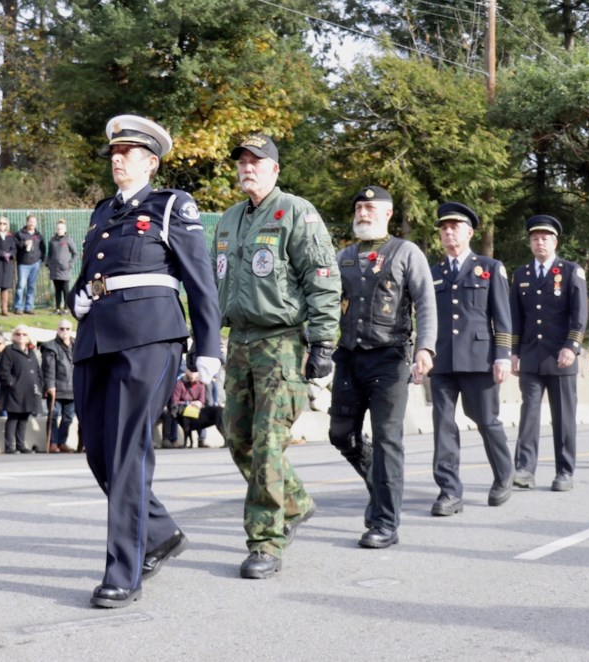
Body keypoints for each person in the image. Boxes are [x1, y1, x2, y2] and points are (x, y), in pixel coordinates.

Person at [72, 115, 221, 607]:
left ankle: (124, 571)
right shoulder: (100, 211)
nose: (118, 158)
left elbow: (200, 280)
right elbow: (94, 269)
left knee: (126, 452)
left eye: (129, 152)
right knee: (98, 451)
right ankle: (159, 532)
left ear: (151, 162)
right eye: (114, 151)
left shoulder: (171, 205)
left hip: (150, 337)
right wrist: (77, 295)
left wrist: (208, 349)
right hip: (97, 335)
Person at [213, 133, 339, 578]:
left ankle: (265, 541)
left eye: (257, 161)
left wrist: (323, 342)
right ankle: (297, 502)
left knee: (268, 444)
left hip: (282, 342)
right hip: (240, 342)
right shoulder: (228, 220)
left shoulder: (296, 213)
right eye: (242, 161)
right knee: (239, 439)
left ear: (275, 169)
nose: (248, 167)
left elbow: (322, 277)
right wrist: (208, 339)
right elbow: (216, 285)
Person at [327, 185, 436, 549]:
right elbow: (328, 303)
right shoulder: (342, 256)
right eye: (359, 207)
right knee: (341, 434)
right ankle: (379, 479)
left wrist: (425, 349)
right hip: (348, 357)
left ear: (388, 213)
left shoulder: (406, 252)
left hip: (389, 358)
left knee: (389, 440)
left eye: (371, 207)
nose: (363, 212)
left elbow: (425, 302)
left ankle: (385, 522)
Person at [428, 202, 513, 516]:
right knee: (443, 426)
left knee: (486, 422)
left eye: (455, 227)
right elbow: (425, 317)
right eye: (444, 228)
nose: (449, 233)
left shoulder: (489, 267)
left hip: (480, 359)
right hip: (442, 360)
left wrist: (502, 356)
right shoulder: (432, 272)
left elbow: (502, 317)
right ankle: (449, 491)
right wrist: (420, 354)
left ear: (469, 232)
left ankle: (504, 475)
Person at [510, 215, 588, 492]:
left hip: (561, 356)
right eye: (534, 238)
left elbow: (579, 314)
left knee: (564, 416)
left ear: (555, 242)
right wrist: (514, 352)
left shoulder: (570, 271)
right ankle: (524, 469)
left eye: (545, 238)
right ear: (530, 242)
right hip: (530, 356)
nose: (539, 242)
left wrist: (572, 345)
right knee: (529, 413)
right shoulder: (521, 275)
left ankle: (564, 471)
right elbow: (516, 318)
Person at [0, 324, 42, 453]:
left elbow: (37, 370)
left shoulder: (31, 352)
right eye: (18, 334)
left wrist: (39, 385)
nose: (21, 336)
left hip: (29, 391)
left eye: (24, 334)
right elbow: (4, 371)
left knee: (24, 418)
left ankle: (20, 444)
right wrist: (12, 384)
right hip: (14, 391)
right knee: (13, 418)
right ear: (14, 336)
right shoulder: (9, 350)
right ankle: (10, 446)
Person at [40, 320, 75, 453]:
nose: (64, 331)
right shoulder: (51, 346)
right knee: (53, 416)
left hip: (72, 388)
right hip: (57, 388)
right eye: (62, 329)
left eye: (67, 329)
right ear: (57, 329)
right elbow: (48, 368)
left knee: (68, 418)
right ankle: (53, 443)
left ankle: (62, 442)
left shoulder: (76, 344)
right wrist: (50, 386)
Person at [162, 366, 206, 448]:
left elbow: (202, 400)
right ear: (187, 372)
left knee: (202, 415)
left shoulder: (200, 384)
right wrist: (189, 403)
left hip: (195, 409)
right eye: (191, 372)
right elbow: (174, 401)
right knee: (173, 415)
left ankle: (201, 440)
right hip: (181, 408)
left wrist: (199, 403)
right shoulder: (180, 383)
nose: (192, 374)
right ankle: (174, 439)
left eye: (195, 372)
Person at [14, 214, 45, 314]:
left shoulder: (39, 235)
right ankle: (18, 307)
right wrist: (24, 244)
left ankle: (29, 307)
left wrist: (41, 260)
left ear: (36, 223)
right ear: (27, 222)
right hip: (23, 264)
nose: (32, 223)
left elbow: (43, 248)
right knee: (21, 286)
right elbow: (14, 246)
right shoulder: (20, 234)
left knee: (31, 287)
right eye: (30, 221)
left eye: (34, 222)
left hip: (35, 264)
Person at [47, 219, 77, 314]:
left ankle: (66, 308)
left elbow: (75, 253)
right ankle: (57, 308)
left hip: (65, 269)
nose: (59, 230)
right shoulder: (52, 240)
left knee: (65, 289)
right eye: (58, 228)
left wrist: (70, 264)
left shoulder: (68, 240)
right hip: (55, 269)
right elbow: (49, 254)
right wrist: (49, 264)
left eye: (61, 229)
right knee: (57, 290)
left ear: (65, 230)